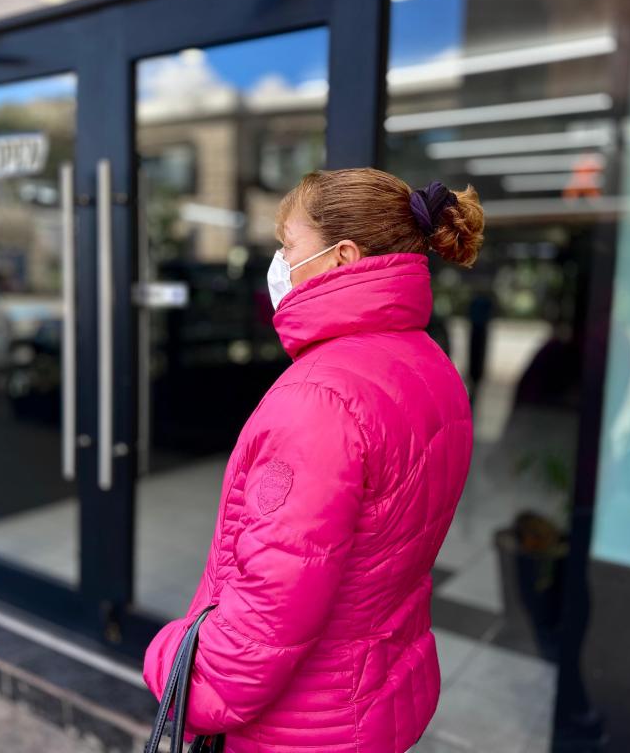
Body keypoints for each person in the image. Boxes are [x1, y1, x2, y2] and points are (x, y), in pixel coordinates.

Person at [141, 167, 484, 752]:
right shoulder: (429, 364)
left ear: (342, 256)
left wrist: (174, 662)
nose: (279, 263)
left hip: (301, 723)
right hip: (375, 691)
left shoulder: (320, 398)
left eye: (289, 245)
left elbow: (269, 603)